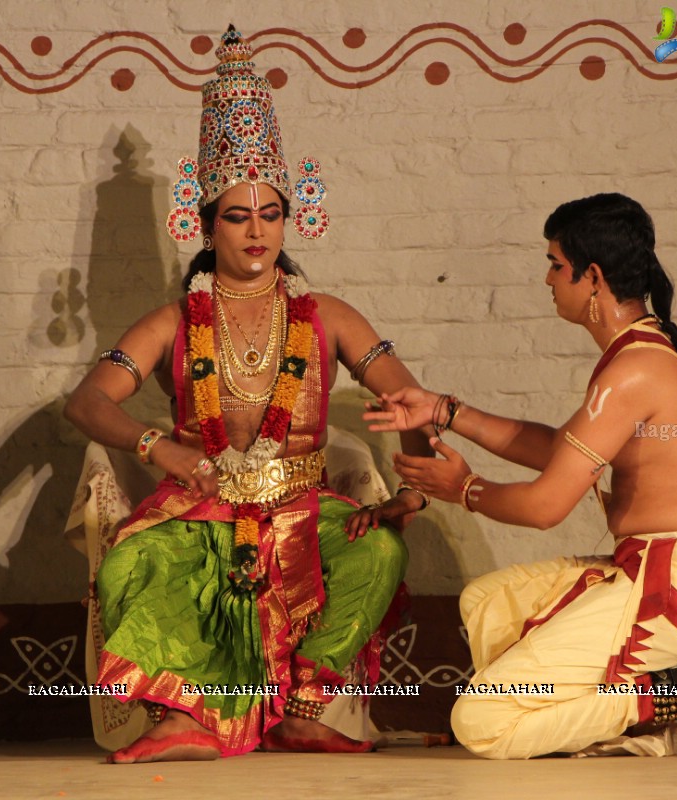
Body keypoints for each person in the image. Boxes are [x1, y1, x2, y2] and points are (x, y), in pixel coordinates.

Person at [63, 27, 431, 764]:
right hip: (203, 508)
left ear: (293, 217)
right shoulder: (173, 320)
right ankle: (194, 718)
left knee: (379, 552)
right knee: (128, 566)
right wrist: (157, 445)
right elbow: (87, 403)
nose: (257, 231)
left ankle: (304, 710)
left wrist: (415, 478)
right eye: (237, 215)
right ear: (202, 224)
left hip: (306, 508)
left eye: (271, 214)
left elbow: (411, 397)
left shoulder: (326, 314)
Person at [366, 193, 677, 759]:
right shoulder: (658, 351)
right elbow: (565, 451)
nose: (548, 279)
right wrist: (444, 410)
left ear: (592, 276)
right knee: (488, 601)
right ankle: (654, 685)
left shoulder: (631, 372)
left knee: (480, 720)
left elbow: (546, 505)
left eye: (555, 264)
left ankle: (664, 695)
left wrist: (463, 490)